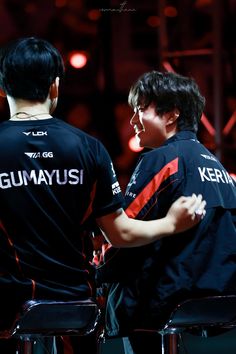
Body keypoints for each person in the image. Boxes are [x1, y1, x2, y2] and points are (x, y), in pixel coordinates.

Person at [0, 38, 205, 354]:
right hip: (75, 307)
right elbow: (121, 233)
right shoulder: (89, 148)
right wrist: (171, 223)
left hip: (6, 307)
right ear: (55, 87)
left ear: (2, 87)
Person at [97, 70, 236, 354]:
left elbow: (124, 231)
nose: (133, 120)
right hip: (218, 312)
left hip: (161, 313)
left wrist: (98, 270)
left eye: (139, 110)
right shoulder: (218, 167)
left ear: (171, 114)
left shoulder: (162, 159)